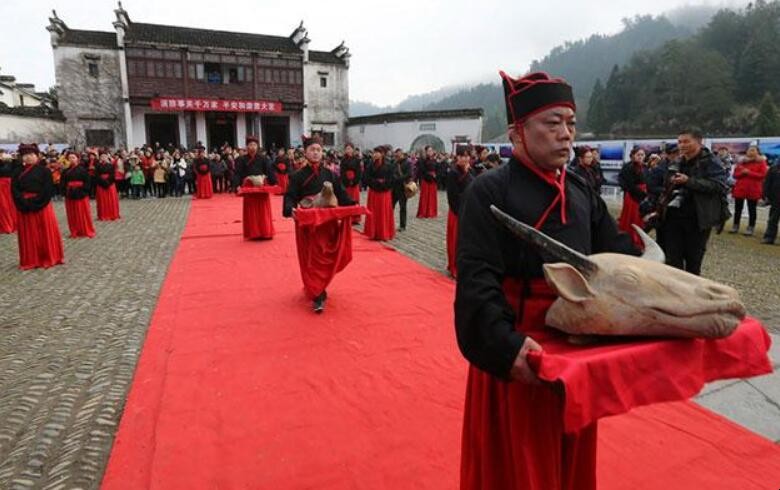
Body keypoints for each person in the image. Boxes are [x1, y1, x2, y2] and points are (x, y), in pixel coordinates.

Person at [455, 71, 636, 490]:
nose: (566, 135)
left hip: (577, 348)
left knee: (570, 464)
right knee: (519, 471)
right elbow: (476, 280)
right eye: (552, 124)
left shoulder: (580, 189)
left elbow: (614, 256)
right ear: (518, 132)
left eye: (571, 124)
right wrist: (507, 347)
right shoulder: (488, 191)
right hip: (523, 348)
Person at [283, 135, 357, 313]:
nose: (316, 153)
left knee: (325, 257)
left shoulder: (330, 174)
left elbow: (341, 194)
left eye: (318, 150)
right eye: (312, 150)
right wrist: (289, 209)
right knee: (312, 258)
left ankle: (319, 287)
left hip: (327, 224)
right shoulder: (297, 175)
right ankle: (318, 294)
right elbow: (290, 196)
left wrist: (353, 205)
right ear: (306, 152)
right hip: (309, 225)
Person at [657, 129, 727, 275]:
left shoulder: (711, 161)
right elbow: (665, 186)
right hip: (674, 216)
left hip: (698, 218)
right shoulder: (677, 161)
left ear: (699, 142)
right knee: (672, 260)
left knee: (693, 262)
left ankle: (692, 294)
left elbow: (719, 185)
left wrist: (689, 181)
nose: (682, 145)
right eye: (679, 142)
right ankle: (674, 293)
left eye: (686, 141)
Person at [11, 144, 65, 269]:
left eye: (31, 155)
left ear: (37, 156)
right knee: (28, 235)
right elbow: (14, 190)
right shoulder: (17, 172)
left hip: (42, 206)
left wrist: (36, 203)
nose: (28, 157)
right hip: (24, 206)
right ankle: (31, 259)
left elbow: (48, 190)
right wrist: (23, 203)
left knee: (44, 232)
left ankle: (47, 256)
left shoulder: (44, 170)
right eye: (25, 155)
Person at [235, 136, 277, 240]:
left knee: (263, 211)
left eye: (254, 145)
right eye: (250, 145)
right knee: (251, 211)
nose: (252, 147)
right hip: (248, 188)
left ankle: (265, 232)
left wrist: (274, 182)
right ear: (247, 147)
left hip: (261, 188)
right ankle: (253, 233)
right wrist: (237, 185)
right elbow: (238, 173)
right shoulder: (241, 159)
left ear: (258, 146)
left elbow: (269, 171)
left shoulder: (264, 158)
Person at [445, 146, 474, 278]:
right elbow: (452, 197)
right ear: (457, 157)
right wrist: (460, 212)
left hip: (468, 209)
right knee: (456, 241)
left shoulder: (470, 171)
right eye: (462, 156)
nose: (465, 158)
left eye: (467, 156)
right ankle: (454, 266)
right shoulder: (453, 172)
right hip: (457, 212)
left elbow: (474, 187)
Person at [730, 145, 768, 236]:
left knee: (752, 209)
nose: (751, 152)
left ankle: (751, 227)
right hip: (741, 188)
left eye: (753, 150)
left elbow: (763, 175)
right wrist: (742, 173)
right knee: (738, 209)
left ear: (758, 152)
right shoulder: (741, 162)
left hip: (753, 189)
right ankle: (735, 225)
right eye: (749, 150)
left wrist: (749, 173)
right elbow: (735, 175)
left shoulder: (761, 162)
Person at [363, 146, 396, 241]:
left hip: (384, 192)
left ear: (382, 154)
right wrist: (375, 183)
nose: (375, 154)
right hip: (374, 191)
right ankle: (373, 232)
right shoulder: (370, 165)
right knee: (374, 212)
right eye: (374, 152)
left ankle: (384, 233)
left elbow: (392, 178)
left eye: (378, 152)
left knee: (383, 212)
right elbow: (366, 177)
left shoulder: (389, 164)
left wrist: (384, 185)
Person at [617, 147, 648, 248]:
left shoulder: (644, 167)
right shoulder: (629, 167)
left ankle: (639, 238)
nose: (640, 157)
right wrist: (642, 194)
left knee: (640, 218)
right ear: (633, 156)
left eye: (642, 155)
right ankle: (631, 238)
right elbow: (629, 185)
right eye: (638, 155)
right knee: (632, 217)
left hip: (641, 195)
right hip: (633, 196)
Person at [61, 150, 95, 238]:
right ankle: (74, 230)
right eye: (70, 158)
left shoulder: (83, 170)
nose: (71, 159)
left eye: (73, 157)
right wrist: (65, 192)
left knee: (83, 213)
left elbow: (87, 182)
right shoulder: (65, 171)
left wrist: (83, 191)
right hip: (70, 194)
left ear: (77, 159)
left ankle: (85, 230)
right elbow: (62, 183)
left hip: (81, 194)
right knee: (72, 215)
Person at [95, 151, 121, 221]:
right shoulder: (97, 166)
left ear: (107, 157)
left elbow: (113, 175)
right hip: (101, 184)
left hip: (110, 184)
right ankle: (103, 215)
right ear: (100, 158)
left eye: (105, 156)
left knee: (111, 201)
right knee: (102, 201)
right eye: (102, 156)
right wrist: (102, 182)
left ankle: (112, 214)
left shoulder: (111, 165)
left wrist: (108, 182)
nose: (103, 158)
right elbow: (96, 175)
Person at [392, 148, 413, 231]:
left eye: (399, 154)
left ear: (402, 154)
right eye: (396, 155)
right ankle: (389, 222)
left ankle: (402, 225)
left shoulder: (408, 163)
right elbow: (392, 172)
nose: (398, 156)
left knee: (403, 207)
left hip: (403, 188)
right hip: (394, 188)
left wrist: (399, 178)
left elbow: (409, 174)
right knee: (391, 206)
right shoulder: (394, 163)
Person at [0, 149, 19, 233]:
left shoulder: (11, 162)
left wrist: (13, 159)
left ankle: (10, 224)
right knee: (3, 206)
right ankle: (7, 224)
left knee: (9, 204)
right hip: (3, 185)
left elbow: (17, 168)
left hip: (7, 185)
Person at [416, 145, 438, 218]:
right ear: (426, 152)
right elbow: (422, 170)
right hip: (426, 180)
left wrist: (435, 176)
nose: (430, 152)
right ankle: (424, 212)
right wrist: (428, 175)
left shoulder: (434, 160)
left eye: (431, 150)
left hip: (433, 180)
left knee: (432, 197)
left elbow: (437, 169)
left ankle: (432, 212)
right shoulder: (422, 160)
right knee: (425, 197)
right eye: (429, 151)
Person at [762, 161, 780, 244]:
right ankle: (769, 237)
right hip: (776, 199)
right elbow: (767, 182)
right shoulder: (774, 168)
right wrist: (766, 194)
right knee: (772, 219)